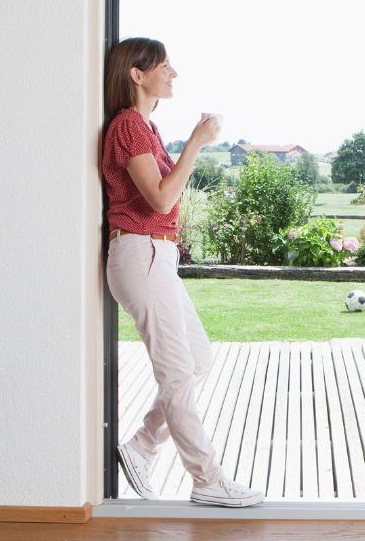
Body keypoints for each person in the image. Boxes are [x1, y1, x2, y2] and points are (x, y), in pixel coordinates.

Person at [100, 37, 264, 508]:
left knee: (197, 361)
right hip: (141, 255)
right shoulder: (129, 125)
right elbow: (161, 199)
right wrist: (196, 142)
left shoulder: (144, 127)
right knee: (177, 374)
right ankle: (207, 479)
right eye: (165, 67)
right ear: (137, 73)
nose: (174, 74)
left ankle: (140, 447)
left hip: (157, 259)